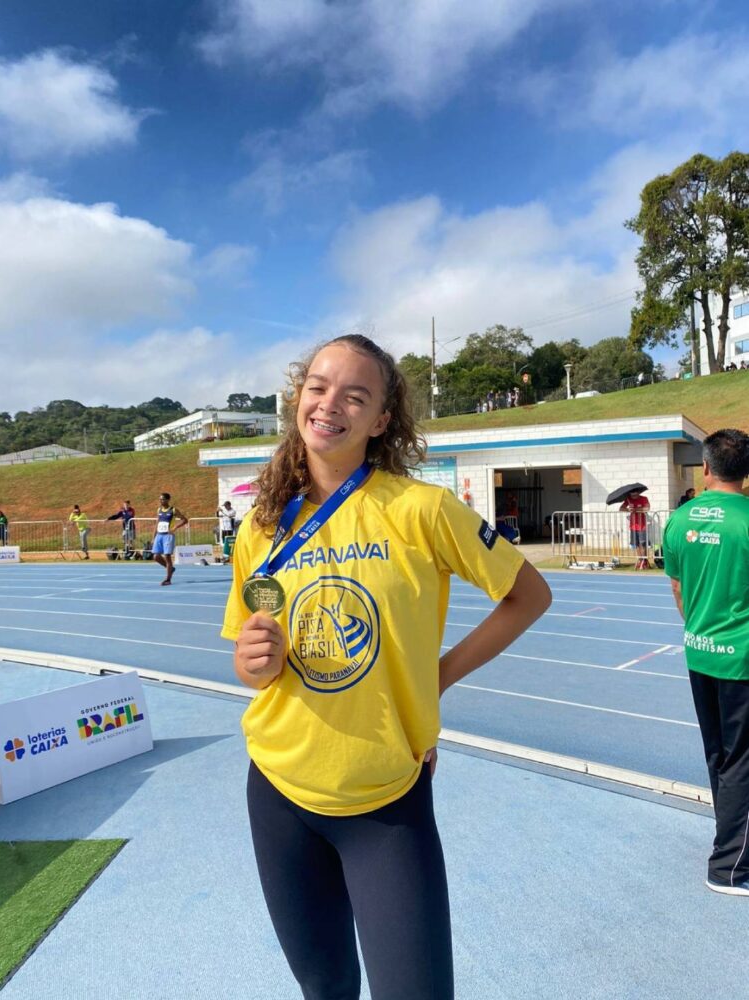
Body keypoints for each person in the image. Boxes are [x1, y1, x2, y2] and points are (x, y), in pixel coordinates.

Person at [221, 334, 551, 1000]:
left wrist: (438, 674)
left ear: (380, 420)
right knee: (326, 987)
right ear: (297, 398)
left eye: (355, 395)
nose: (329, 404)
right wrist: (251, 662)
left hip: (385, 806)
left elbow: (529, 596)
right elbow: (252, 660)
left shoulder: (421, 510)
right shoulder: (262, 526)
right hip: (279, 790)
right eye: (317, 386)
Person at [662, 428, 749, 895]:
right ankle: (730, 866)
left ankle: (730, 837)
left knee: (719, 754)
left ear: (707, 468)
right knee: (741, 761)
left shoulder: (679, 520)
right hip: (742, 658)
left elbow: (677, 587)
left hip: (700, 652)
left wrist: (699, 626)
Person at [152, 492, 188, 585]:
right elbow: (157, 523)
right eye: (160, 499)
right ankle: (170, 569)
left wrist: (175, 528)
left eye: (163, 499)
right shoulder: (159, 510)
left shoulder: (173, 510)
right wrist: (154, 536)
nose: (161, 501)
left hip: (168, 536)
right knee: (156, 556)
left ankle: (168, 579)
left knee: (167, 556)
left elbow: (185, 520)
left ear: (168, 500)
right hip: (159, 535)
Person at [619, 488, 650, 569]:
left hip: (642, 525)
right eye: (632, 495)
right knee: (636, 544)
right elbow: (621, 508)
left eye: (635, 495)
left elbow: (647, 508)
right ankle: (640, 559)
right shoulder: (628, 499)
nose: (634, 497)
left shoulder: (644, 498)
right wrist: (628, 509)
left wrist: (636, 510)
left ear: (638, 493)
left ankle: (644, 560)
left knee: (642, 543)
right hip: (633, 526)